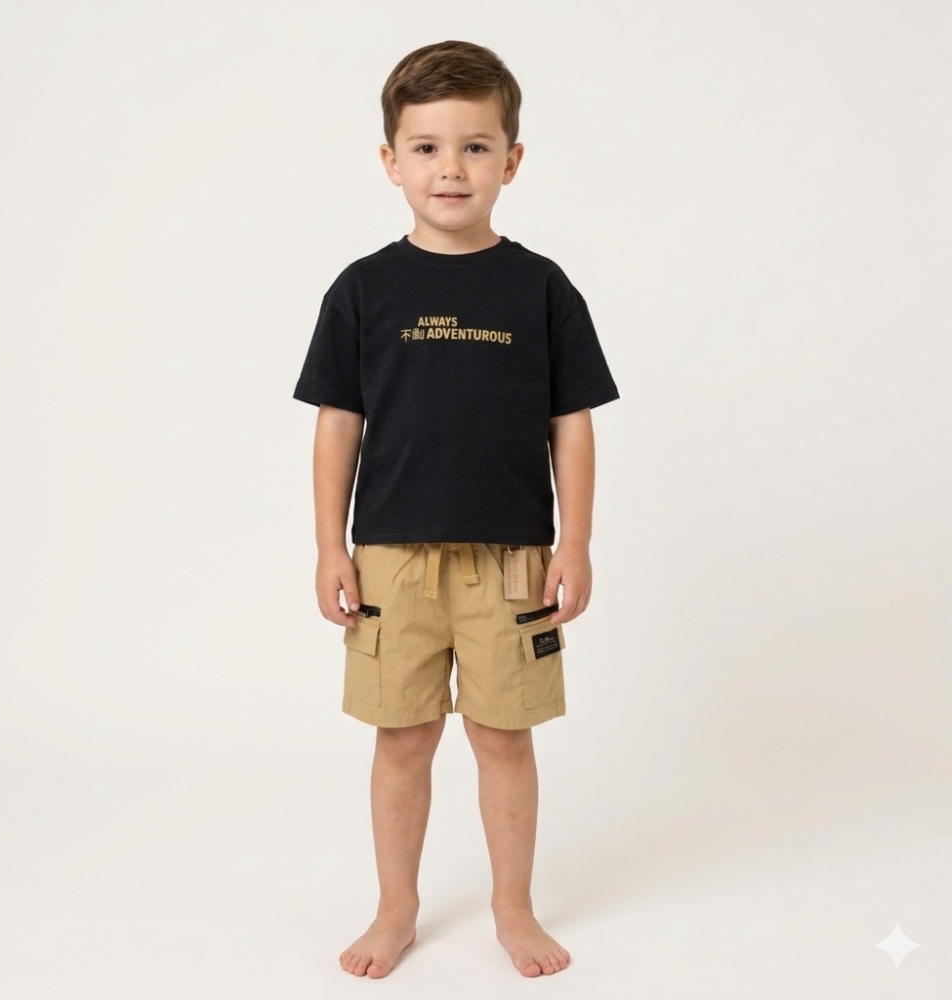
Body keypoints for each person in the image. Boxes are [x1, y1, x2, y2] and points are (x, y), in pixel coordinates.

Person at [293, 39, 619, 979]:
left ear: (510, 161)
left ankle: (514, 908)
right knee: (402, 738)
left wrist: (575, 543)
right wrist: (329, 546)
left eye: (475, 147)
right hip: (390, 558)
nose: (451, 168)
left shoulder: (542, 287)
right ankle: (396, 908)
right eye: (427, 147)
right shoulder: (362, 289)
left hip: (513, 560)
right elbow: (337, 425)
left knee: (503, 737)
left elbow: (572, 424)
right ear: (390, 161)